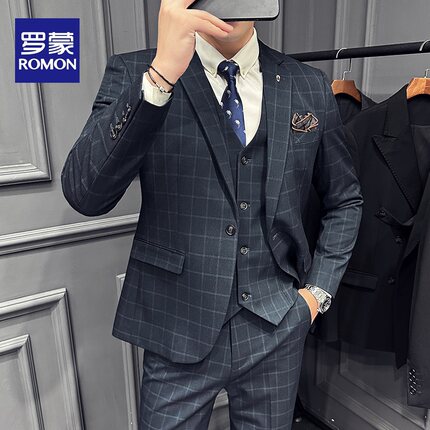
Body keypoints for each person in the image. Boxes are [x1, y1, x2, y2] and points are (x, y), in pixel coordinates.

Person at [61, 1, 363, 428]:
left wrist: (316, 296)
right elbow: (85, 194)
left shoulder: (308, 84)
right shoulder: (136, 72)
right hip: (175, 328)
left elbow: (345, 199)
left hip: (277, 325)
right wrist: (161, 76)